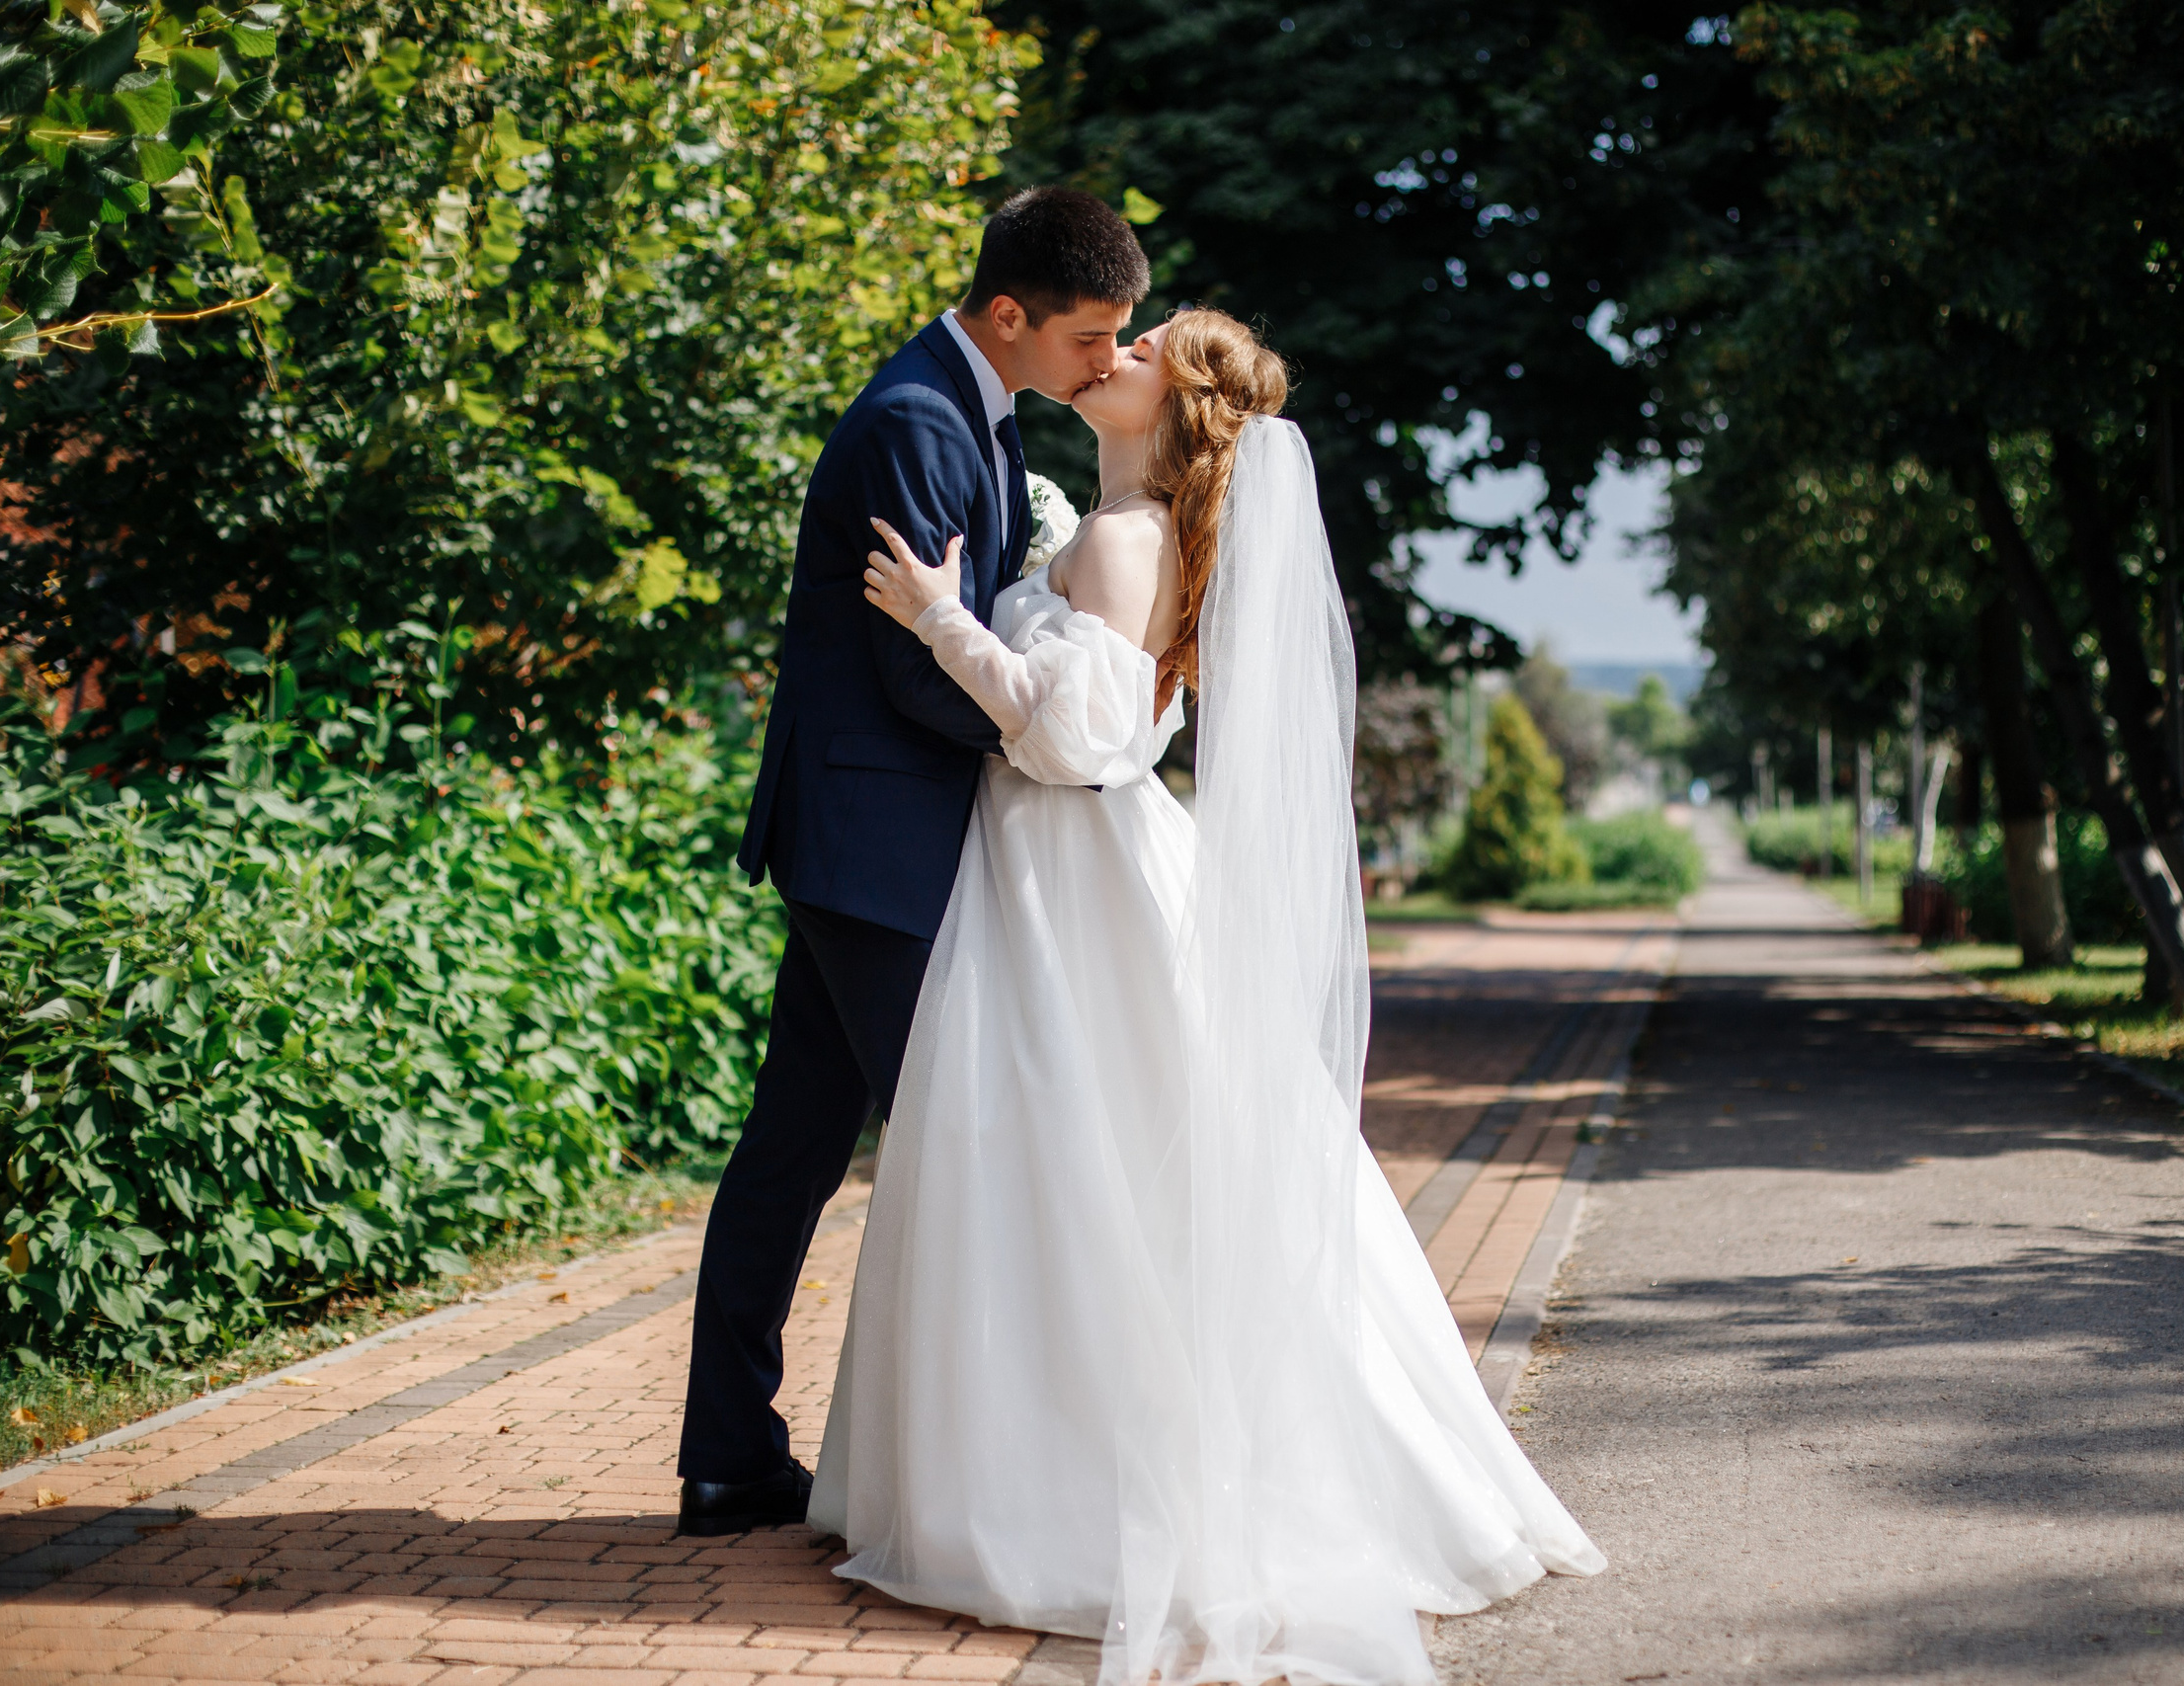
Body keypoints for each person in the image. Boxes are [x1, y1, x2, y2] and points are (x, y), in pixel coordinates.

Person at [822, 307, 1604, 1686]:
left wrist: (943, 618)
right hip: (1076, 875)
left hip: (1074, 871)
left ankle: (1048, 1493)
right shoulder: (1127, 527)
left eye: (1146, 351)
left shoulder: (1129, 540)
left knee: (1075, 1168)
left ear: (1174, 409)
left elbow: (1079, 742)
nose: (1112, 354)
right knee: (1099, 1170)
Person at [674, 188, 1151, 1536]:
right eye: (1089, 336)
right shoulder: (916, 424)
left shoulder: (973, 416)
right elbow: (909, 668)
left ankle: (728, 1459)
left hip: (874, 836)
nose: (1106, 362)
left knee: (794, 1147)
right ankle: (985, 1484)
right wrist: (1044, 739)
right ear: (1012, 314)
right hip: (876, 841)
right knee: (971, 1147)